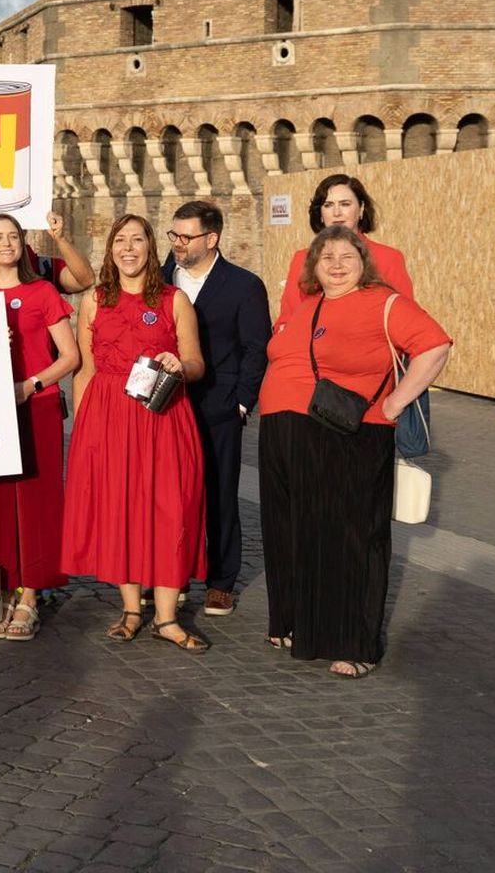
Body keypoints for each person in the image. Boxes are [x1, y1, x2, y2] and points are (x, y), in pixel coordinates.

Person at [258, 225, 451, 677]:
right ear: (313, 267)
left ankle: (356, 643)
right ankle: (298, 625)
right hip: (287, 435)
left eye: (347, 256)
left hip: (353, 434)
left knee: (354, 539)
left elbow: (435, 346)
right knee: (295, 533)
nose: (337, 264)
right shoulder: (307, 306)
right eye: (327, 258)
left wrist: (396, 401)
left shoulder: (384, 303)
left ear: (363, 261)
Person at [64, 215, 210, 653]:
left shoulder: (175, 300)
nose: (129, 248)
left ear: (151, 247)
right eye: (120, 240)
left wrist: (179, 366)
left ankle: (167, 617)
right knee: (119, 509)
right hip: (106, 419)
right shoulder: (94, 300)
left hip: (162, 417)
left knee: (170, 509)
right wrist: (82, 430)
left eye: (138, 240)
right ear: (110, 249)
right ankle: (131, 609)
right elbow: (85, 370)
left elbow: (197, 363)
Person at [0, 213, 82, 641]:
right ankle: (2, 590)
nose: (6, 243)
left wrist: (30, 384)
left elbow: (69, 357)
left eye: (13, 236)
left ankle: (31, 593)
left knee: (37, 500)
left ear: (23, 243)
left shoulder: (42, 291)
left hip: (36, 404)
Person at [159, 201, 270, 618]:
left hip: (218, 406)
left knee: (220, 493)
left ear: (212, 238)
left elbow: (255, 348)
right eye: (174, 235)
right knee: (173, 496)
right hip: (167, 403)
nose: (177, 244)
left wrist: (242, 402)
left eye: (186, 237)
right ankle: (175, 576)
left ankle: (221, 581)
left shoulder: (243, 285)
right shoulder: (163, 278)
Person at [278, 174, 413, 317]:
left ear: (361, 209)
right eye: (328, 205)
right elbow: (288, 320)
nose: (337, 213)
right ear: (321, 214)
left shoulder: (388, 258)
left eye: (345, 204)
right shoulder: (303, 259)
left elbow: (407, 317)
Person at [0, 209, 96, 295]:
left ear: (24, 231)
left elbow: (85, 280)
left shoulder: (44, 271)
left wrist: (60, 239)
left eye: (13, 235)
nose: (6, 243)